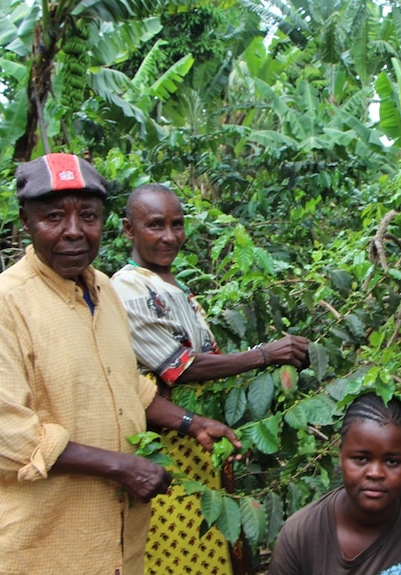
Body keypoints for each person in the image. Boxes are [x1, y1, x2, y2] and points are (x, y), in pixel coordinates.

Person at [0, 153, 241, 575]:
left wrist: (192, 423)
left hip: (117, 544)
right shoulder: (0, 307)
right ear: (25, 221)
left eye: (87, 216)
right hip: (43, 548)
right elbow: (6, 437)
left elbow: (125, 385)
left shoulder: (105, 291)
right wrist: (121, 466)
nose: (73, 232)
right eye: (54, 217)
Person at [110, 183, 310, 574]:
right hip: (165, 447)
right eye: (155, 225)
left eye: (177, 224)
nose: (169, 237)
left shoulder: (171, 286)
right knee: (178, 545)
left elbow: (206, 363)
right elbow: (181, 366)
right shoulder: (128, 288)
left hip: (201, 442)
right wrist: (265, 355)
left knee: (213, 542)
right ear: (128, 230)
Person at [267, 392, 401, 575]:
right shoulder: (300, 534)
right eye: (361, 459)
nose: (375, 473)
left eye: (392, 461)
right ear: (341, 456)